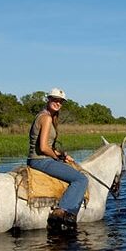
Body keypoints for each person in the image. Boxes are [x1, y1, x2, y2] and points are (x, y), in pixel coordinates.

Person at [27, 88, 88, 230]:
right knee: (81, 179)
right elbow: (43, 147)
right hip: (40, 160)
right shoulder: (46, 118)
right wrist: (58, 157)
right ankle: (63, 211)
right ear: (48, 99)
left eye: (60, 101)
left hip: (39, 158)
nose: (57, 103)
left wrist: (62, 155)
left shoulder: (45, 116)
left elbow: (47, 145)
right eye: (55, 100)